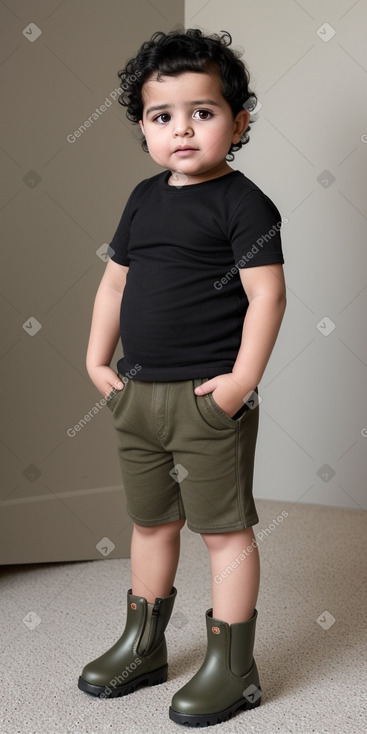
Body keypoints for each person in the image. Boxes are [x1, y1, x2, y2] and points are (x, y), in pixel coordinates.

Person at [78, 28, 286, 727]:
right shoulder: (142, 198)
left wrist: (237, 383)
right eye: (162, 116)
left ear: (239, 120)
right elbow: (114, 286)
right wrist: (95, 362)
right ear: (142, 127)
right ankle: (143, 646)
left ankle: (234, 668)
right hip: (136, 396)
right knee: (150, 523)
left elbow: (267, 297)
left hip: (206, 401)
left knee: (222, 532)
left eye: (203, 111)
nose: (183, 129)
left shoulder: (243, 202)